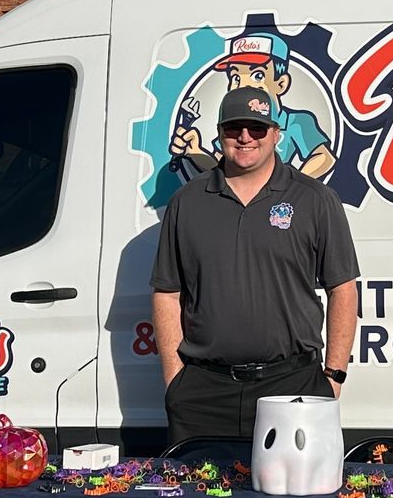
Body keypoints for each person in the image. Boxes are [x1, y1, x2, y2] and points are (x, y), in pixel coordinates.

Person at [151, 86, 360, 448]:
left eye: (257, 128)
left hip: (293, 386)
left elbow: (342, 289)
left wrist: (334, 376)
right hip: (204, 392)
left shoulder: (314, 199)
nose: (245, 137)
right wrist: (176, 380)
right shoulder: (188, 202)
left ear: (276, 134)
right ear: (219, 134)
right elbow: (167, 293)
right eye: (234, 128)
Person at [168, 32, 337, 179]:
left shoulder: (297, 121)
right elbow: (225, 171)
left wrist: (290, 187)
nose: (244, 85)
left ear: (281, 83)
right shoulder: (233, 128)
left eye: (257, 75)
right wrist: (196, 152)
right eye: (236, 78)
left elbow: (324, 157)